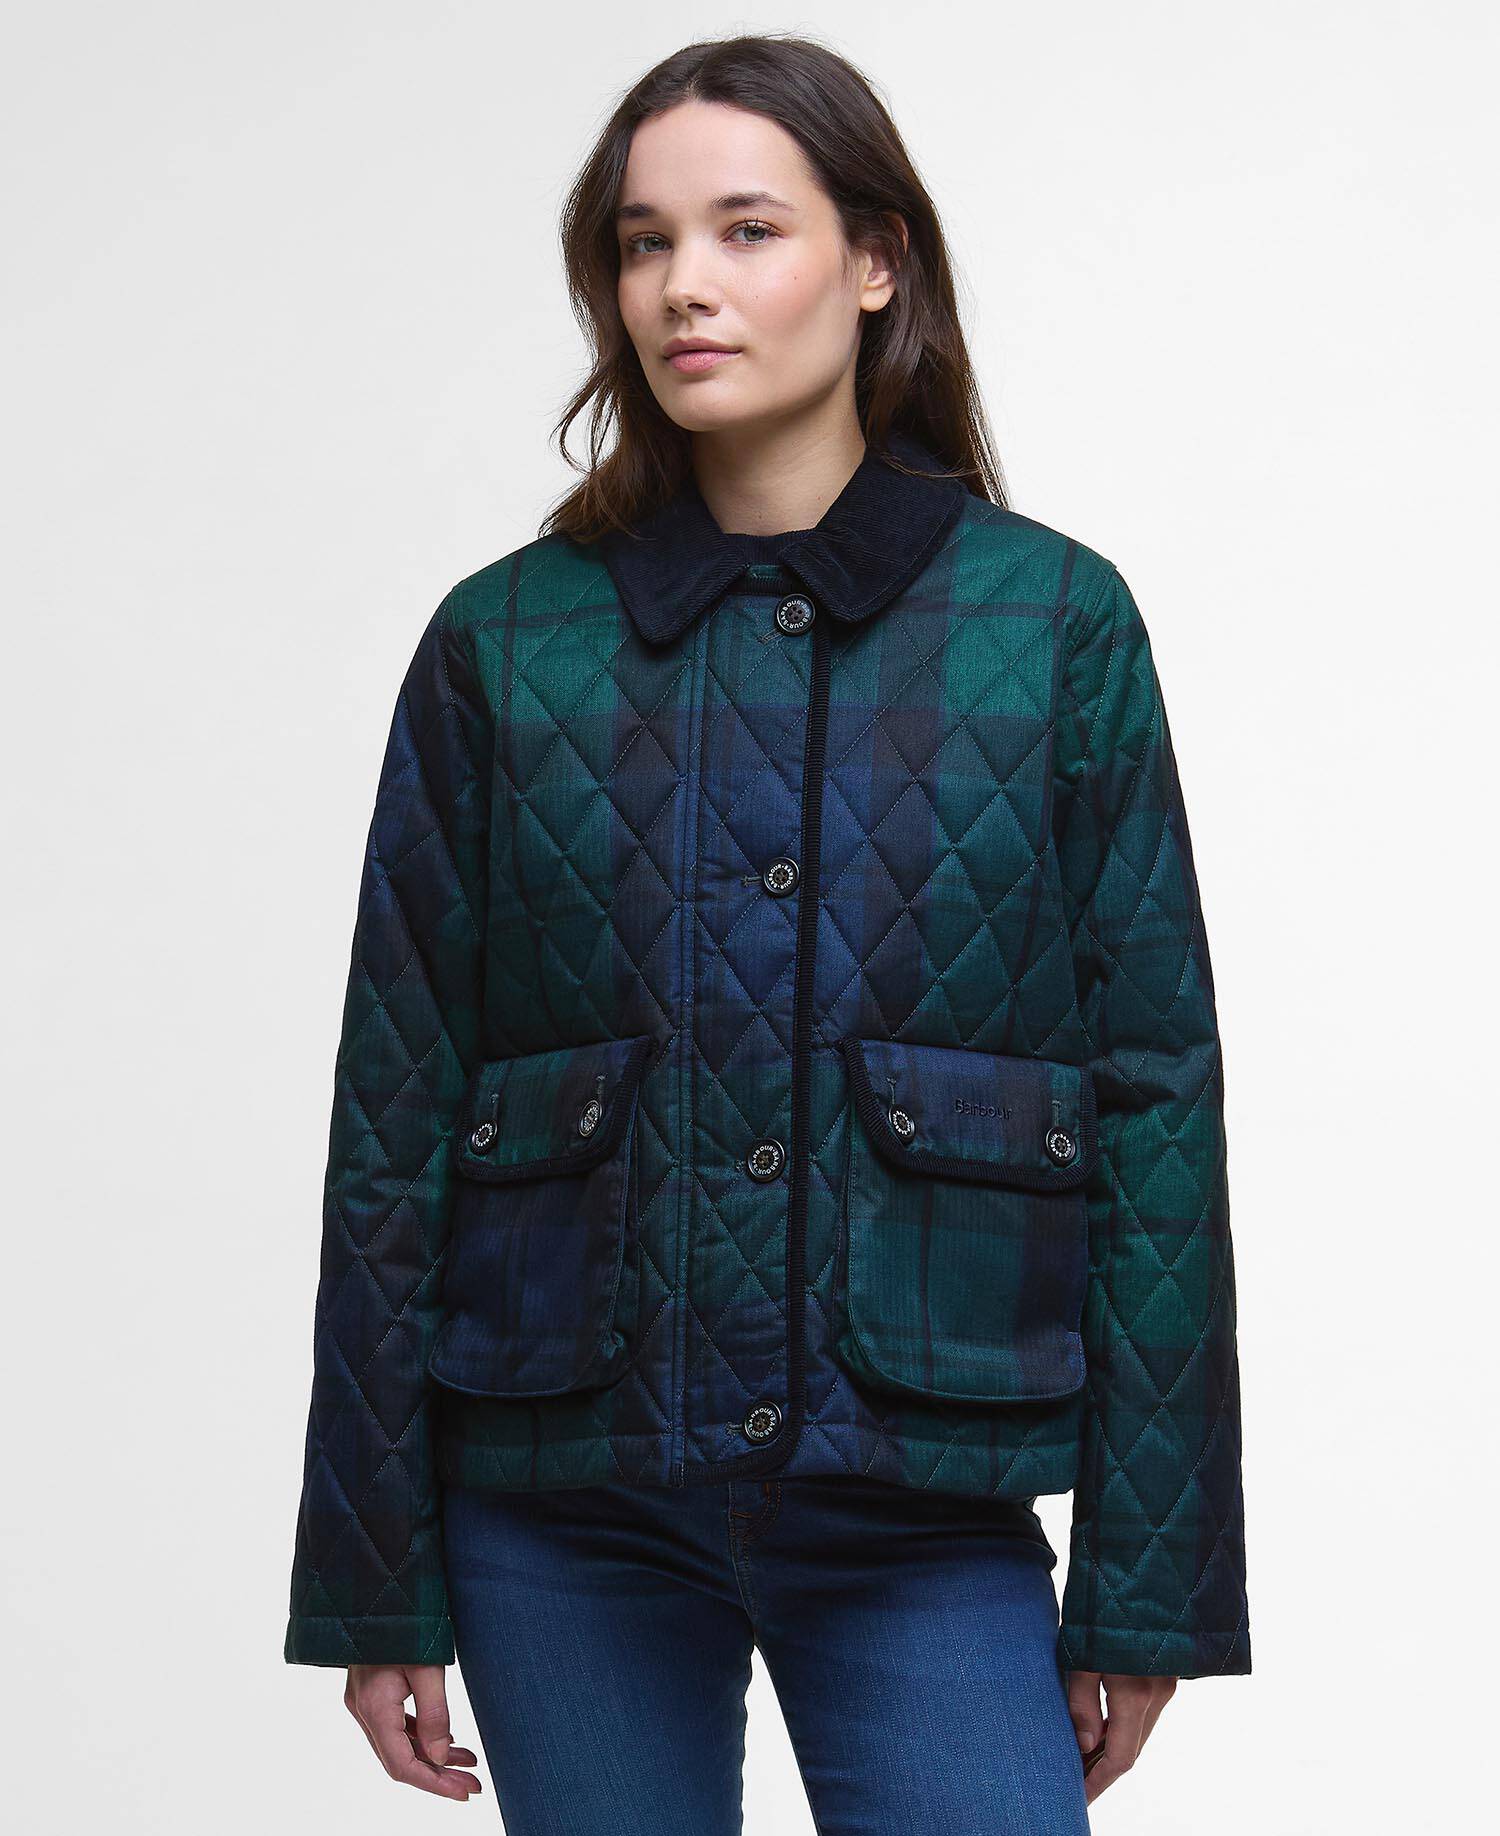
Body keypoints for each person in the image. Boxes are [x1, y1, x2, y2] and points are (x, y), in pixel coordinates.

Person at [283, 31, 1249, 1834]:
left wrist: (1149, 1582)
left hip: (920, 1497)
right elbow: (392, 1116)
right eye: (643, 243)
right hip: (559, 1506)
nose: (682, 286)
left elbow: (1156, 1101)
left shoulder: (1052, 626)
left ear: (876, 260)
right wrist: (370, 1574)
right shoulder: (506, 645)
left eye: (745, 229)